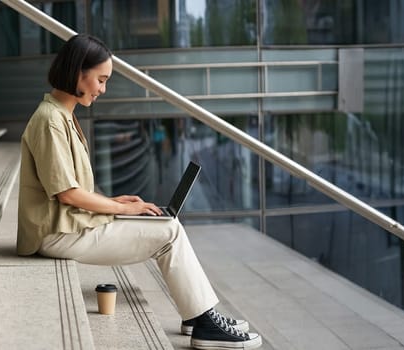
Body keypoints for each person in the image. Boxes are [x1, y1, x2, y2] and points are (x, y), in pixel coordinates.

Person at [16, 34, 262, 350]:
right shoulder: (51, 120)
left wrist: (115, 202)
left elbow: (69, 189)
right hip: (57, 233)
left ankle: (198, 314)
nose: (102, 89)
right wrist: (125, 210)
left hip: (67, 225)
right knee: (169, 232)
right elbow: (67, 194)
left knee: (166, 224)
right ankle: (202, 321)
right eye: (101, 80)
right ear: (79, 72)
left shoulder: (61, 115)